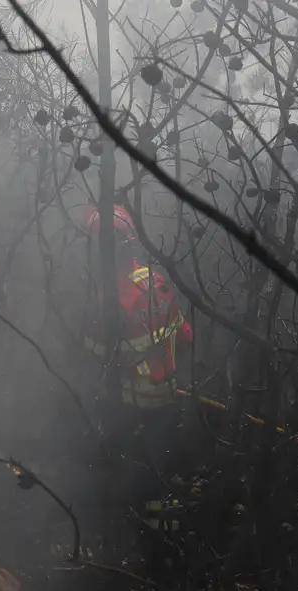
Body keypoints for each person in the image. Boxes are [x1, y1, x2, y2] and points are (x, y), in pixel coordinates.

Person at [79, 204, 194, 533]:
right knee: (162, 466)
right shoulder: (155, 281)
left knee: (130, 469)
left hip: (128, 404)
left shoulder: (105, 298)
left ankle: (130, 532)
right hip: (168, 396)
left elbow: (95, 358)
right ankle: (167, 531)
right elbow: (185, 335)